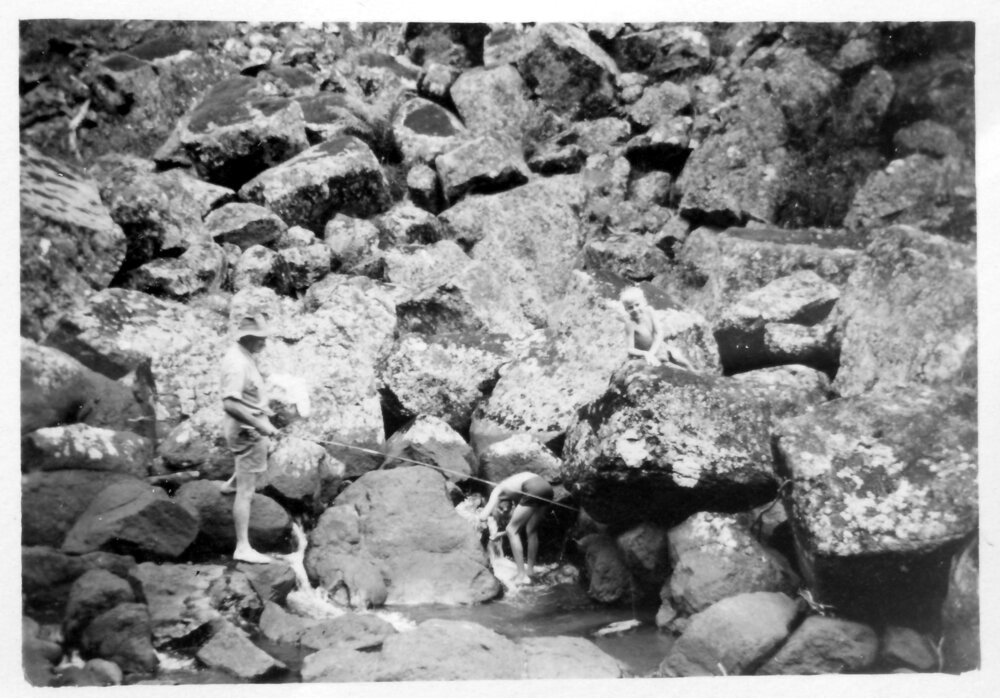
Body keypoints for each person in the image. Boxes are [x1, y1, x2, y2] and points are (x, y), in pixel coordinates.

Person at [220, 315, 280, 564]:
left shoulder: (242, 355)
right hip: (248, 431)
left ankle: (231, 483)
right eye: (261, 339)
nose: (264, 344)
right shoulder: (237, 364)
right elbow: (230, 403)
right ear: (248, 338)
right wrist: (261, 425)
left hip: (248, 427)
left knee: (244, 468)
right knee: (247, 491)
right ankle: (242, 547)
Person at [478, 472, 553, 585]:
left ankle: (521, 575)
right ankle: (530, 571)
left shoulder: (498, 489)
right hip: (547, 488)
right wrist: (500, 534)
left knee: (511, 530)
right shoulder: (515, 485)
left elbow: (483, 516)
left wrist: (477, 515)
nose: (504, 511)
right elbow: (521, 526)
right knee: (531, 529)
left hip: (532, 487)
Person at [619, 286, 694, 370]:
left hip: (657, 347)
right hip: (644, 353)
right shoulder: (630, 324)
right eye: (630, 307)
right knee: (663, 366)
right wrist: (645, 354)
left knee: (683, 362)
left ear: (644, 302)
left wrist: (651, 353)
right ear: (625, 309)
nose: (635, 309)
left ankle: (697, 374)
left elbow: (658, 333)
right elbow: (630, 349)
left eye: (637, 304)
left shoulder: (650, 311)